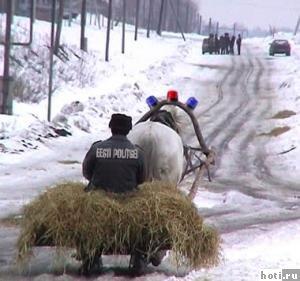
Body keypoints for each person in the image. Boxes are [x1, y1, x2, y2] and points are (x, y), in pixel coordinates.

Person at [82, 113, 147, 274]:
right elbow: (142, 179)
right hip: (128, 203)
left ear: (110, 128)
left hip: (98, 203)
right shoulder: (137, 152)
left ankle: (91, 256)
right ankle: (139, 257)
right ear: (129, 130)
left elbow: (86, 172)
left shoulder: (97, 148)